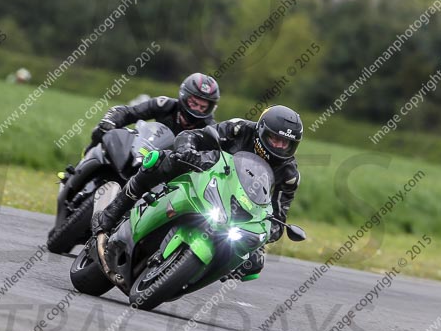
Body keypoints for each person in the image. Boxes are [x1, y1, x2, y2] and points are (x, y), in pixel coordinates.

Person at [94, 105, 302, 281]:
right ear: (261, 130)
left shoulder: (289, 174)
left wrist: (264, 235)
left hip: (238, 210)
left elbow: (278, 218)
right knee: (157, 161)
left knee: (255, 263)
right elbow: (194, 135)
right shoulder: (239, 129)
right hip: (207, 173)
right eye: (275, 139)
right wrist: (187, 150)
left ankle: (198, 274)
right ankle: (110, 214)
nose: (279, 146)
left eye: (286, 143)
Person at [85, 73, 220, 152]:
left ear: (210, 107)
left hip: (168, 174)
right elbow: (129, 112)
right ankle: (76, 171)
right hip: (144, 151)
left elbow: (217, 155)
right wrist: (111, 121)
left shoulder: (210, 129)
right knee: (100, 131)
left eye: (203, 107)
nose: (197, 109)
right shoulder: (164, 105)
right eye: (194, 103)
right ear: (184, 96)